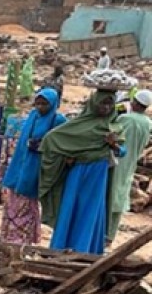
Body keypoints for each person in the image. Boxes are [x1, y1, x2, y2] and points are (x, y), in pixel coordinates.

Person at [40, 88, 127, 255]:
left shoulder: (114, 124)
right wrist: (66, 157)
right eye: (103, 103)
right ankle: (61, 247)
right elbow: (52, 139)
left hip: (98, 174)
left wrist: (113, 144)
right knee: (71, 206)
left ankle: (84, 250)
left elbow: (122, 152)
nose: (106, 108)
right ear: (94, 103)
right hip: (78, 171)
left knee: (90, 210)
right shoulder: (78, 123)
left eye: (110, 104)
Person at [0, 88, 66, 246]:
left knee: (27, 203)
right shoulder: (32, 116)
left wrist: (42, 145)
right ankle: (8, 237)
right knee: (12, 201)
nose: (40, 107)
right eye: (38, 103)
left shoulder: (58, 121)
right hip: (19, 164)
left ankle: (23, 240)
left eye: (45, 104)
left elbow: (60, 143)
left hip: (35, 167)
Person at [109, 90, 152, 241]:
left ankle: (104, 232)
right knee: (120, 195)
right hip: (132, 160)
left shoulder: (125, 118)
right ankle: (111, 235)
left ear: (134, 102)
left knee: (110, 194)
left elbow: (111, 130)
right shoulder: (148, 123)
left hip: (116, 159)